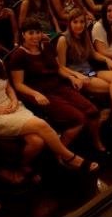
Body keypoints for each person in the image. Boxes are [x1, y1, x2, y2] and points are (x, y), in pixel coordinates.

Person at [0, 36, 96, 179]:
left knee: (37, 142)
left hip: (14, 107)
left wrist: (14, 100)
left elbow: (9, 87)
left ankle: (19, 167)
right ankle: (70, 157)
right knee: (41, 124)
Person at [8, 18, 103, 152]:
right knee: (78, 119)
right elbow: (18, 84)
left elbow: (58, 68)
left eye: (37, 32)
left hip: (58, 86)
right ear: (23, 34)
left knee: (93, 111)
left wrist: (72, 77)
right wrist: (36, 94)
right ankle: (61, 153)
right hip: (42, 93)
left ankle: (96, 141)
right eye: (31, 33)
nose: (35, 36)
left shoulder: (46, 46)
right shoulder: (18, 55)